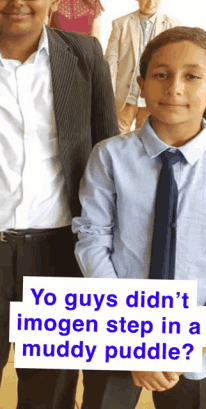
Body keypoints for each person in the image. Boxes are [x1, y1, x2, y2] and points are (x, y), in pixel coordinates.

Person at [73, 26, 206, 409]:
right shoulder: (109, 157)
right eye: (161, 74)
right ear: (141, 83)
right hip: (118, 332)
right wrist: (133, 340)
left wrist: (194, 340)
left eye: (192, 76)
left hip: (200, 346)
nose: (174, 88)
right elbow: (92, 238)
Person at [0, 0, 119, 407]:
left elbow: (108, 152)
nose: (17, 2)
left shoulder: (84, 54)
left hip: (58, 258)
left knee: (49, 394)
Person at [105, 0, 181, 134]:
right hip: (125, 95)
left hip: (153, 95)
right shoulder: (121, 23)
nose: (151, 2)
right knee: (117, 137)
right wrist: (109, 92)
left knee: (146, 138)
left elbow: (175, 62)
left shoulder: (173, 25)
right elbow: (111, 61)